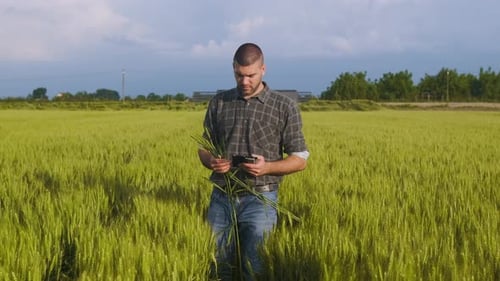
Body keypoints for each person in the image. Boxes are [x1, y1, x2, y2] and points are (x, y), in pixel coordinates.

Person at [197, 42, 309, 280]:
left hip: (261, 201)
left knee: (255, 269)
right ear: (233, 69)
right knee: (216, 267)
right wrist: (212, 161)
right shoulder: (219, 103)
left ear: (263, 70)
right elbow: (203, 148)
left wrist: (267, 167)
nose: (244, 81)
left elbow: (300, 159)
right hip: (221, 197)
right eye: (239, 75)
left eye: (251, 75)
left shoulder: (284, 106)